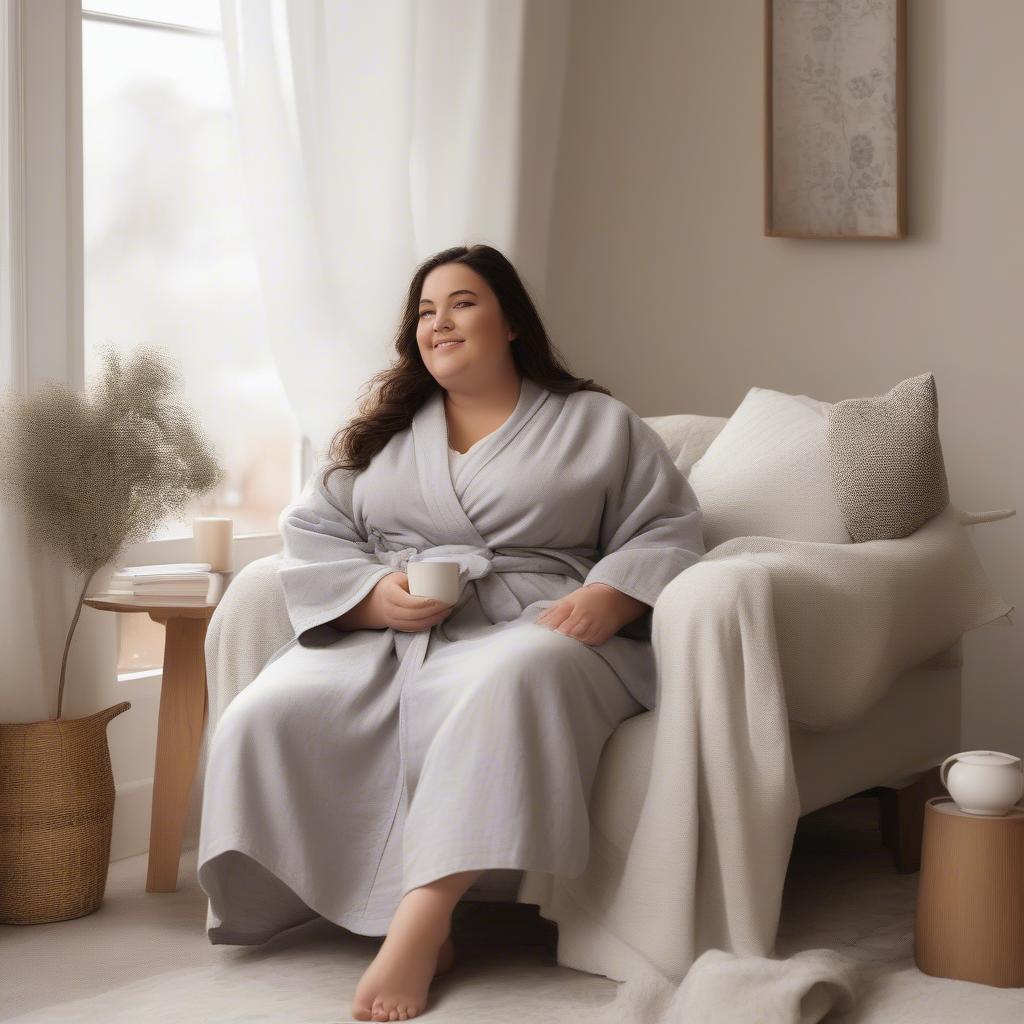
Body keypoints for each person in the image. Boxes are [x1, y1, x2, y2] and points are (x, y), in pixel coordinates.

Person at [196, 243, 705, 1022]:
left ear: (510, 323)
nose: (441, 323)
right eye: (426, 312)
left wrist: (614, 594)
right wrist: (372, 598)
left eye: (462, 302)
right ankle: (313, 897)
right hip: (395, 631)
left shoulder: (597, 422)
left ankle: (425, 923)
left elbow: (666, 526)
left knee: (510, 680)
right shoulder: (381, 436)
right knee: (269, 711)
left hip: (543, 621)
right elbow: (315, 533)